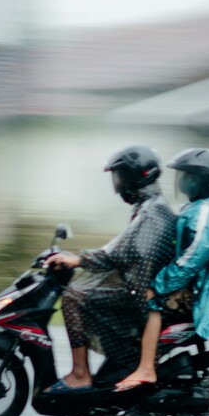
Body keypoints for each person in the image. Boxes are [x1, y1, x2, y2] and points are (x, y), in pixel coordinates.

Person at [115, 147, 209, 392]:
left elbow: (191, 259)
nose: (182, 181)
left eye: (189, 176)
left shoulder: (205, 213)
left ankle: (146, 369)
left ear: (205, 181)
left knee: (150, 302)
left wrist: (156, 286)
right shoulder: (201, 207)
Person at [43, 145, 176, 392]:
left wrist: (79, 260)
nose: (118, 184)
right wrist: (82, 258)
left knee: (73, 297)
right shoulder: (150, 206)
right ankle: (112, 369)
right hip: (141, 292)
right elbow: (120, 247)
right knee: (90, 292)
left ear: (137, 176)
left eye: (120, 176)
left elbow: (119, 253)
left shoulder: (152, 212)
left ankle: (81, 374)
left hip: (140, 298)